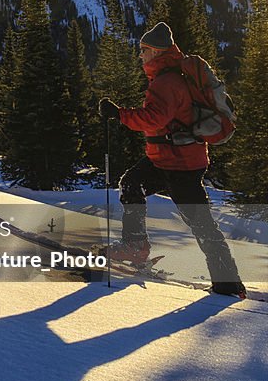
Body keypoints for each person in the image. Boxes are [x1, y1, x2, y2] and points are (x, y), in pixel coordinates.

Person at [98, 22, 246, 298]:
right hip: (167, 158)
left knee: (201, 223)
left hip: (180, 163)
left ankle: (228, 285)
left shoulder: (167, 81)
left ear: (156, 51)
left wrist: (119, 114)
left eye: (143, 50)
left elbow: (154, 118)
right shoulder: (167, 76)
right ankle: (135, 248)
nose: (140, 55)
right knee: (132, 184)